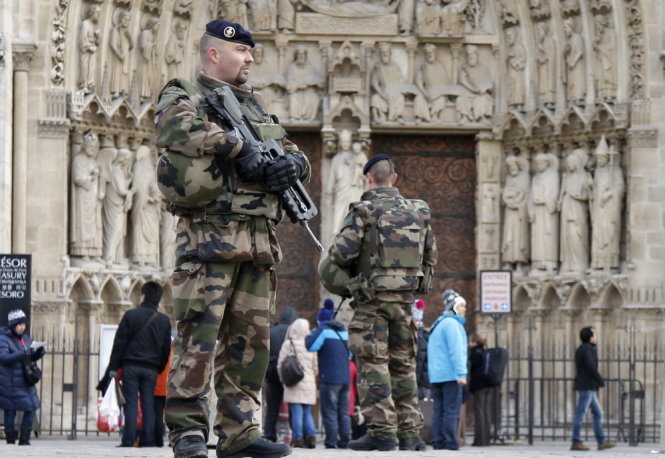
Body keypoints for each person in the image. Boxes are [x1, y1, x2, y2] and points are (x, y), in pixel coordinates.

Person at [155, 19, 311, 458]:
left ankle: (240, 432)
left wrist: (292, 168)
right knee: (198, 339)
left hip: (259, 243)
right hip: (208, 241)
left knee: (251, 346)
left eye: (250, 53)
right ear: (213, 54)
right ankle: (187, 431)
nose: (249, 59)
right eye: (242, 51)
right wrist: (238, 149)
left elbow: (292, 151)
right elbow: (174, 128)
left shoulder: (256, 106)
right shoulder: (183, 93)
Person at [326, 154, 437, 452]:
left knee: (373, 365)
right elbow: (431, 256)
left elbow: (340, 254)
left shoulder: (364, 210)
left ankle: (383, 431)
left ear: (369, 179)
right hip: (404, 303)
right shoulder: (420, 211)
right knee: (404, 366)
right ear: (395, 179)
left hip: (371, 303)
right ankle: (410, 433)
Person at [107, 281, 171, 448]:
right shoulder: (164, 320)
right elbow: (165, 348)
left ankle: (128, 440)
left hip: (130, 366)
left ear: (143, 296)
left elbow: (119, 344)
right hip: (151, 368)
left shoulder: (130, 315)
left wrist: (113, 367)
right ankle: (149, 440)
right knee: (148, 403)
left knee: (131, 402)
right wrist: (160, 367)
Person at [305, 298, 351, 449]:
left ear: (320, 320)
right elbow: (350, 354)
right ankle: (344, 441)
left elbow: (310, 346)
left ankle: (331, 442)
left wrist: (310, 334)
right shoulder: (343, 331)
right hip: (345, 378)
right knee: (343, 411)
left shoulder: (323, 330)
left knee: (330, 411)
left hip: (329, 378)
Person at [427, 289, 468, 451]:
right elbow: (456, 351)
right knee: (451, 410)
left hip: (437, 375)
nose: (465, 310)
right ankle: (451, 442)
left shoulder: (438, 324)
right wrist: (461, 374)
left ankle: (438, 441)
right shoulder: (452, 324)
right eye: (462, 306)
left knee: (439, 411)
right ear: (454, 307)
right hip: (450, 374)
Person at [0, 309, 45, 446]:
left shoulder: (25, 338)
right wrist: (22, 352)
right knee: (10, 411)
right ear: (13, 325)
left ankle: (24, 439)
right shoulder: (3, 339)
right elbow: (4, 357)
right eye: (19, 325)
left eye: (24, 324)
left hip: (26, 381)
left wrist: (38, 353)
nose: (22, 327)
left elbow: (28, 356)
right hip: (10, 382)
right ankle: (10, 440)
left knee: (31, 408)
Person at [570, 327, 615, 451]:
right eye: (594, 334)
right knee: (580, 413)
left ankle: (601, 441)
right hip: (587, 385)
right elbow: (590, 366)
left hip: (588, 385)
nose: (596, 336)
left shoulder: (583, 349)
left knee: (598, 412)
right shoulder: (587, 349)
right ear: (590, 337)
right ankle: (576, 441)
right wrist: (600, 380)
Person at [277, 318, 318, 449]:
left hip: (293, 382)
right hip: (309, 382)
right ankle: (311, 438)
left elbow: (280, 364)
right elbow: (315, 367)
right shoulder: (310, 343)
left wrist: (282, 379)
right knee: (307, 412)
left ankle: (298, 438)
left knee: (296, 411)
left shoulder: (288, 344)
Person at [264, 306, 298, 443]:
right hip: (290, 373)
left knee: (272, 406)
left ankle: (270, 434)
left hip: (272, 372)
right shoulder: (294, 332)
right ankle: (296, 435)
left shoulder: (271, 332)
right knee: (293, 405)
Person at [468, 333, 491, 446]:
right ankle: (486, 438)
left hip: (478, 386)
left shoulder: (475, 353)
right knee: (485, 412)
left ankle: (480, 440)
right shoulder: (484, 351)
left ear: (474, 342)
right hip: (487, 385)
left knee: (479, 413)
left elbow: (470, 369)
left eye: (470, 341)